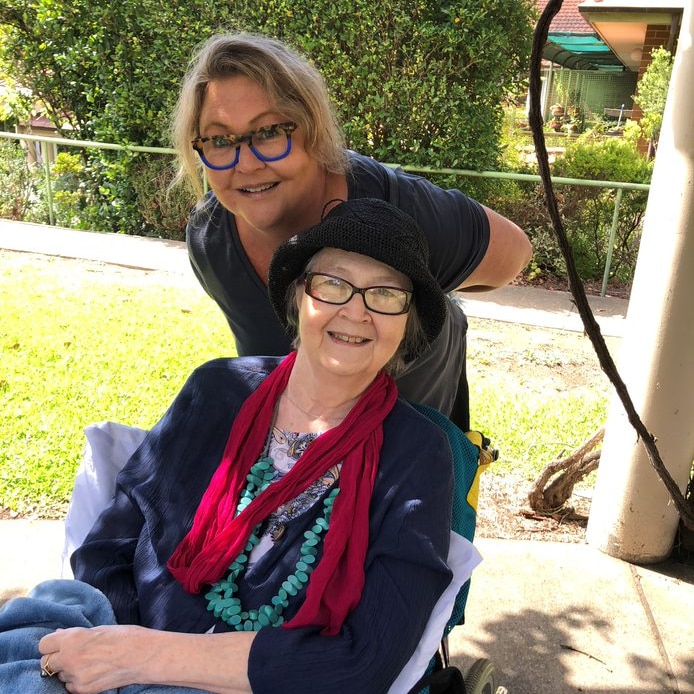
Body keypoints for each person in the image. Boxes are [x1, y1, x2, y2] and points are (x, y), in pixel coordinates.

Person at [0, 198, 480, 694]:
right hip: (112, 644)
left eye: (384, 294)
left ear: (408, 323)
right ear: (299, 297)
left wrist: (146, 659)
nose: (355, 311)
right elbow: (110, 546)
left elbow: (366, 660)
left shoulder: (418, 453)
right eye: (333, 284)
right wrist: (110, 655)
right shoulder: (216, 390)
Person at [172, 31, 532, 431]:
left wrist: (423, 290)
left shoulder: (398, 206)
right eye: (220, 139)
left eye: (270, 132)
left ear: (315, 130)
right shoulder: (211, 242)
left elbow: (513, 253)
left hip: (413, 463)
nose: (246, 164)